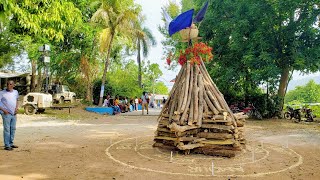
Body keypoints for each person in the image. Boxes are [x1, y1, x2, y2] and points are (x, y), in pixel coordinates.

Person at [0, 80, 19, 151]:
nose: (9, 85)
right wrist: (4, 110)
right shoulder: (2, 93)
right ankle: (7, 145)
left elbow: (17, 100)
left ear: (13, 85)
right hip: (6, 113)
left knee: (13, 128)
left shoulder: (15, 92)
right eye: (8, 84)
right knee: (7, 129)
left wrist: (16, 108)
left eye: (11, 84)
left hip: (14, 113)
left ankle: (11, 143)